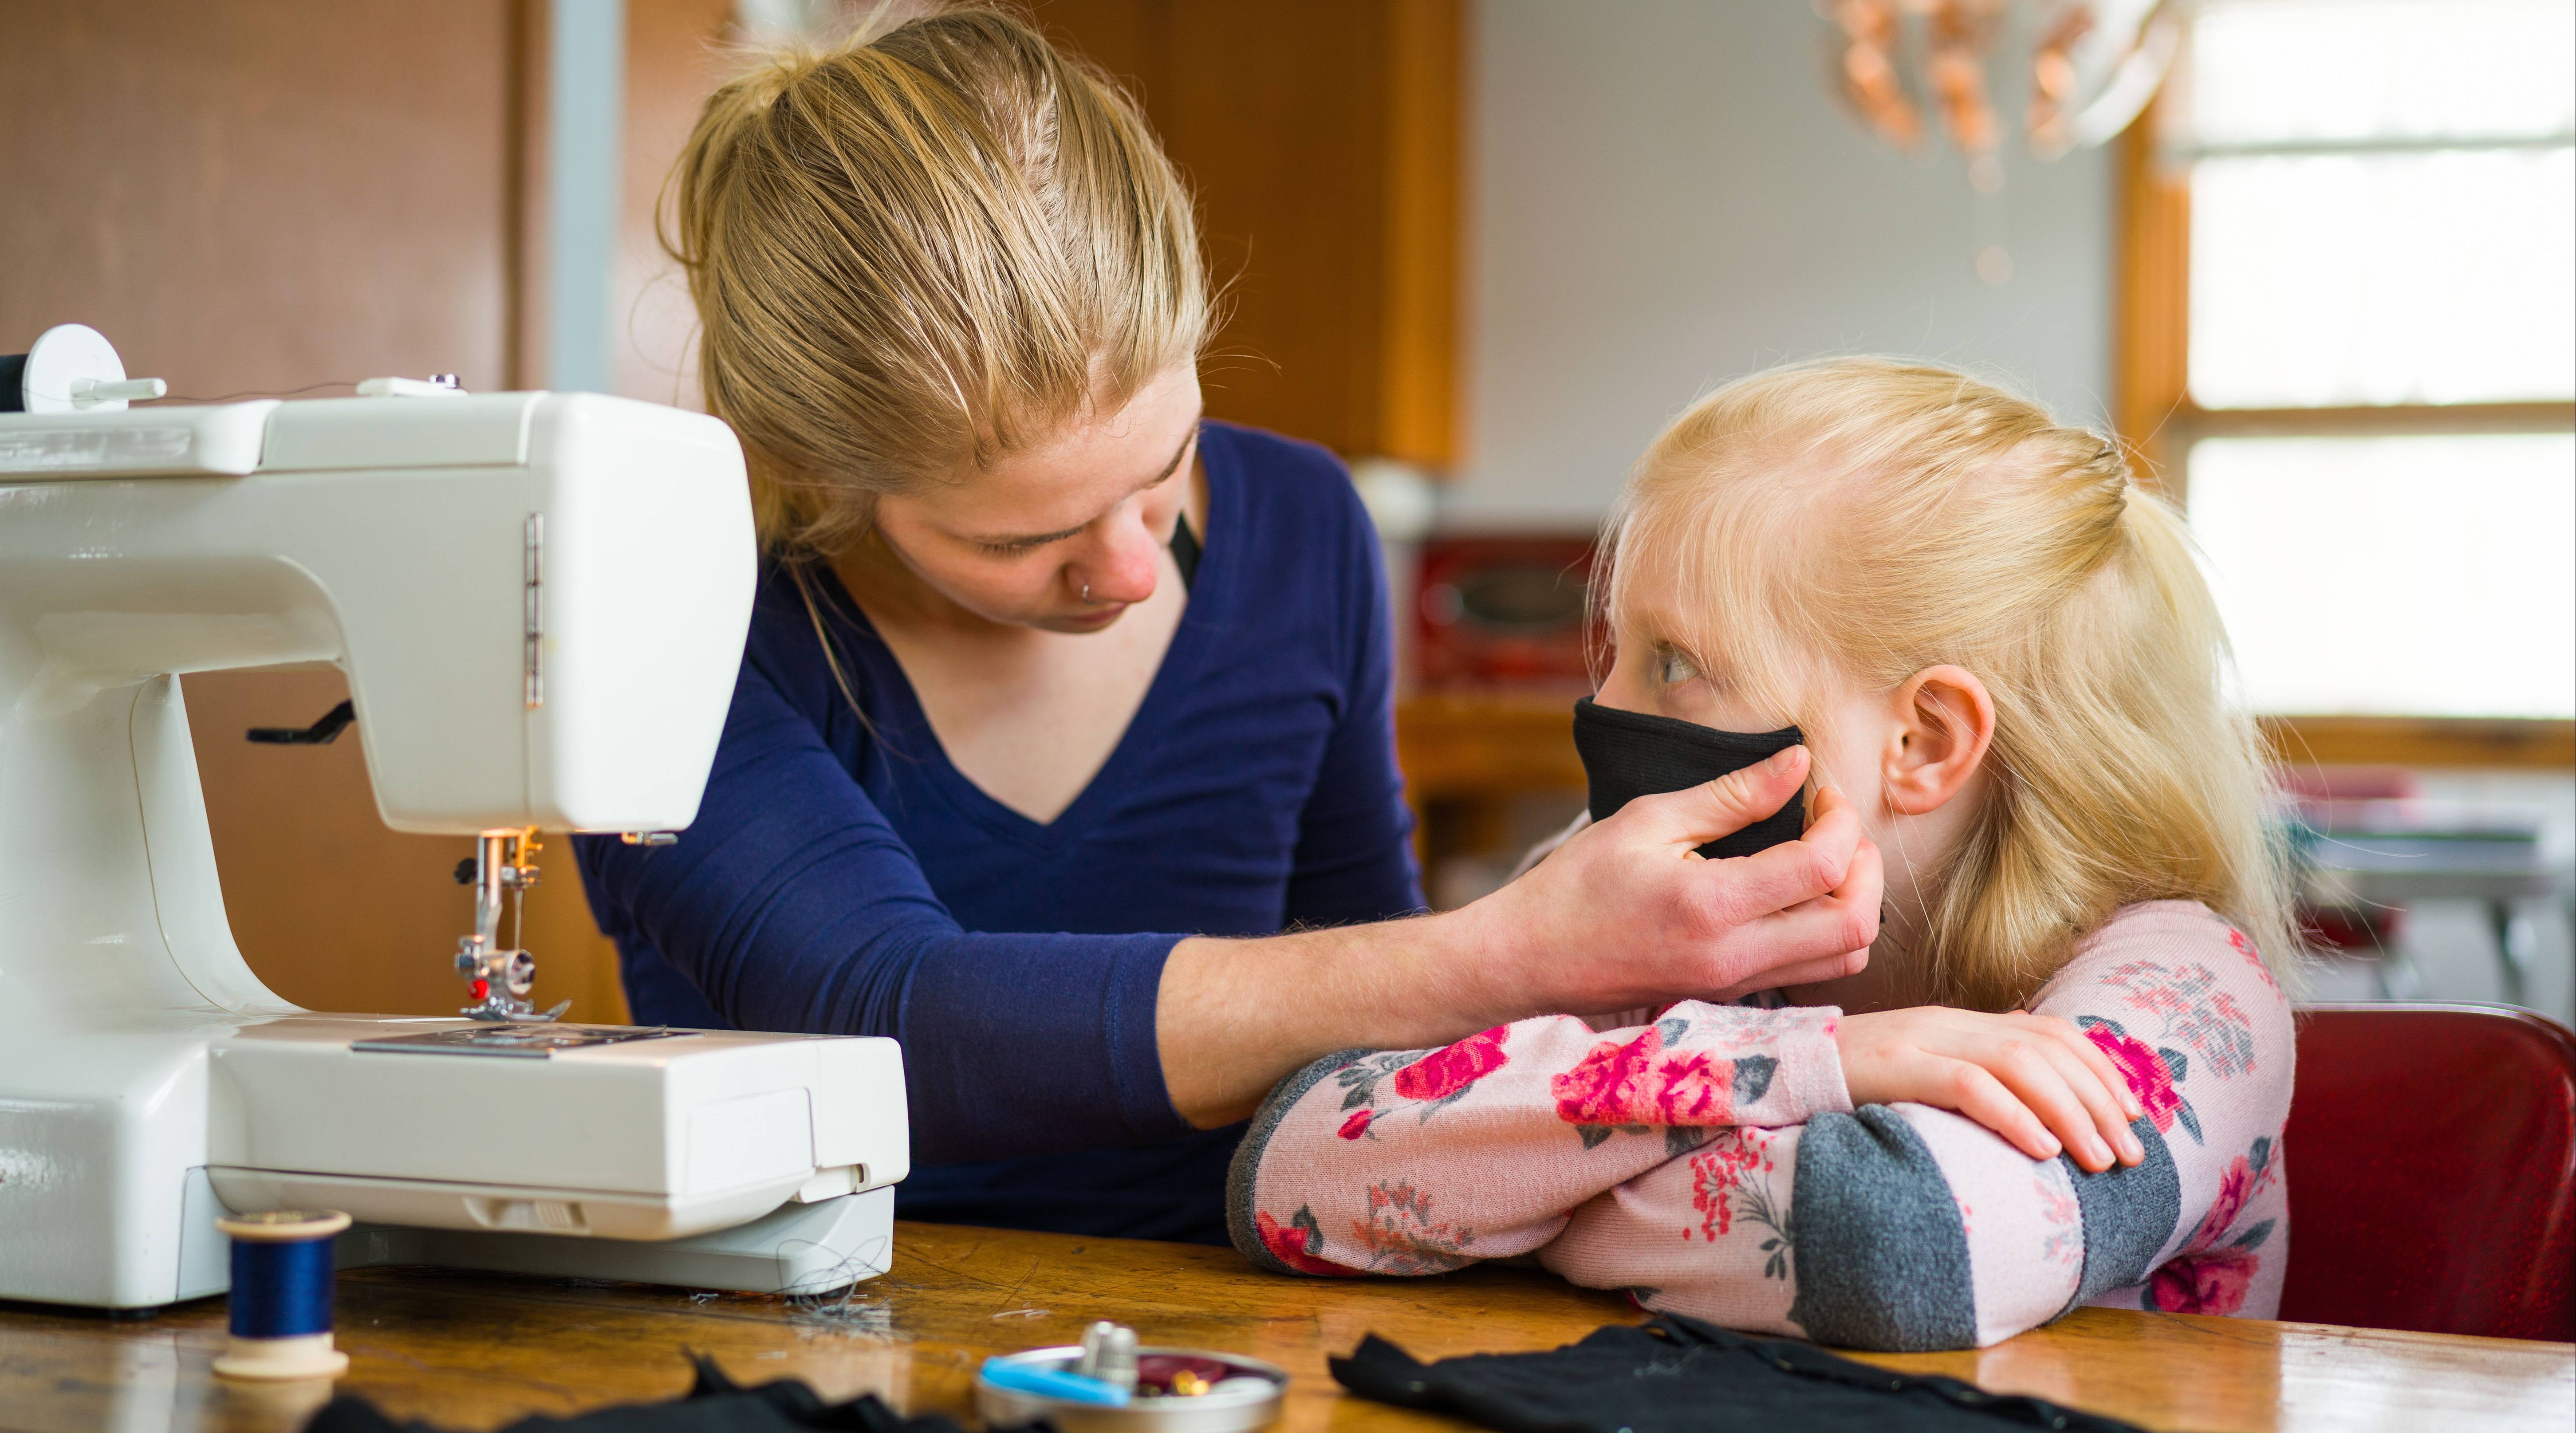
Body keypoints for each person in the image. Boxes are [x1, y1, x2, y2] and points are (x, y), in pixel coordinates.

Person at [581, 8, 1936, 1247]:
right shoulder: (681, 613)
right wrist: (1517, 949)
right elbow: (885, 1028)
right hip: (799, 1323)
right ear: (821, 473)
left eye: (1161, 461)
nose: (1126, 565)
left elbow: (1374, 1036)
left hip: (1242, 1318)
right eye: (1019, 538)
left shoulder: (1299, 525)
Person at [1229, 359, 2300, 1350]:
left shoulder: (2197, 998)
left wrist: (1506, 1186)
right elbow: (1299, 1167)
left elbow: (1896, 1242)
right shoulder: (1656, 906)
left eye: (1675, 662)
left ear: (1922, 742)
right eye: (1619, 652)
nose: (1603, 709)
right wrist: (1825, 1064)